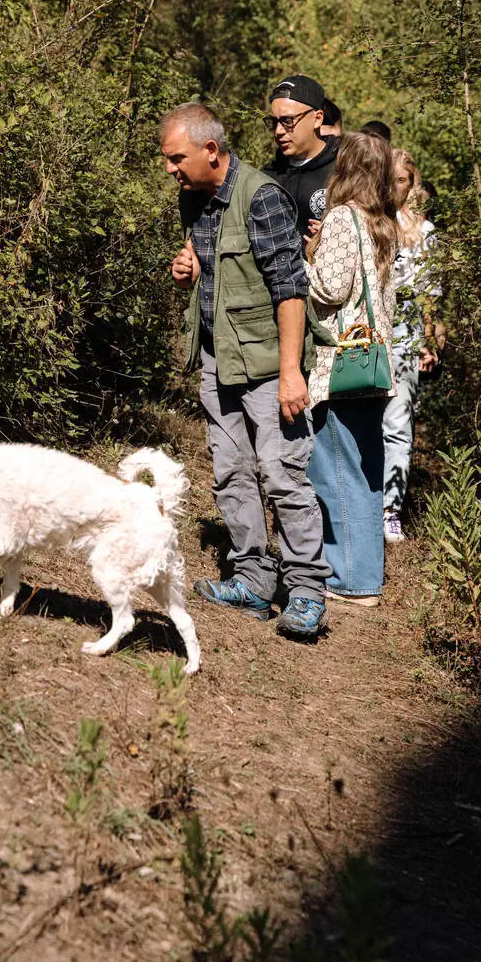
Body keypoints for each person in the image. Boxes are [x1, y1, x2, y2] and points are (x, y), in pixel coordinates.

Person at [163, 102, 331, 638]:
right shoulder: (193, 197)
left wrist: (290, 373)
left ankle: (306, 591)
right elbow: (209, 278)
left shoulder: (261, 198)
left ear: (210, 150)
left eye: (177, 158)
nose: (170, 169)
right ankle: (254, 581)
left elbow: (290, 290)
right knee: (231, 470)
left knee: (283, 474)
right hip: (217, 359)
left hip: (266, 364)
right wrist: (187, 272)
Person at [304, 132, 398, 606]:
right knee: (366, 472)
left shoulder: (342, 218)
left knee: (337, 471)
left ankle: (351, 578)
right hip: (373, 367)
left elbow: (330, 290)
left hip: (339, 366)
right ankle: (365, 572)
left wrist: (303, 260)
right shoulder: (385, 224)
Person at [382, 150, 445, 542]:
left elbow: (429, 293)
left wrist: (428, 342)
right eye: (388, 178)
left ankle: (390, 510)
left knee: (398, 423)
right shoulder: (367, 222)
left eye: (401, 179)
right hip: (366, 335)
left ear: (412, 183)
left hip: (404, 336)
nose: (394, 186)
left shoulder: (426, 233)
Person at [262, 75, 339, 247]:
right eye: (274, 122)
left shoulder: (345, 171)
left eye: (288, 121)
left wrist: (341, 236)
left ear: (318, 118)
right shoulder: (266, 178)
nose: (278, 131)